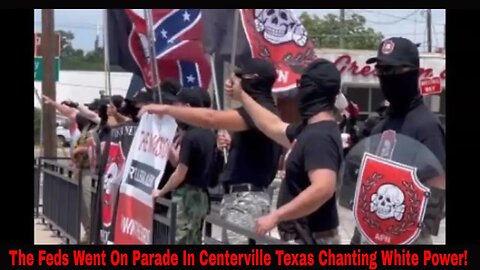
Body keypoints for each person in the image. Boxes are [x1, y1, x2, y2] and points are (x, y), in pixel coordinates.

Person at [139, 58, 283, 244]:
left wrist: (165, 109)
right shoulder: (262, 112)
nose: (232, 82)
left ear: (252, 79)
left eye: (239, 77)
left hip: (245, 199)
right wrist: (233, 143)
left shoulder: (260, 111)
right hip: (245, 197)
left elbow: (210, 118)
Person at [226, 58, 344, 244]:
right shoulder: (308, 130)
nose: (299, 91)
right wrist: (242, 97)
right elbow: (271, 125)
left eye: (302, 84)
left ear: (313, 89)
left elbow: (323, 188)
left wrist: (276, 216)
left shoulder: (320, 136)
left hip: (311, 238)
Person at [350, 37, 446, 245]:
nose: (386, 77)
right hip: (372, 234)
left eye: (393, 71)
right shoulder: (381, 125)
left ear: (413, 73)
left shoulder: (426, 126)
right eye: (381, 71)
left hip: (407, 239)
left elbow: (438, 188)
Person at [150, 88, 216, 244]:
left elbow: (180, 172)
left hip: (186, 197)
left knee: (179, 239)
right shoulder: (209, 134)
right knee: (194, 240)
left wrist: (161, 192)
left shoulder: (190, 137)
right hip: (202, 196)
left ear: (186, 107)